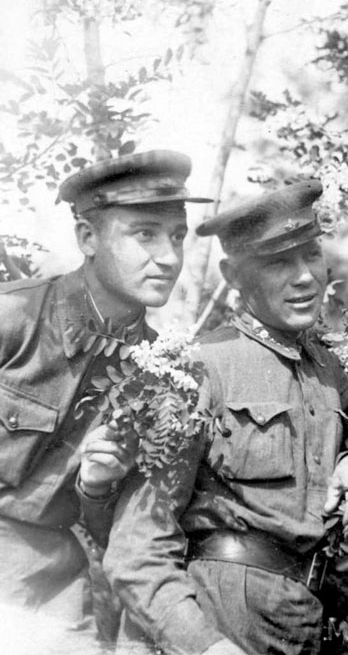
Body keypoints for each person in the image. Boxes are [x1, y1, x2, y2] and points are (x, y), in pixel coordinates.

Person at [103, 180, 348, 655]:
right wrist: (205, 645)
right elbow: (136, 550)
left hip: (304, 617)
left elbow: (346, 436)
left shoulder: (329, 370)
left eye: (311, 255)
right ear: (233, 275)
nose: (305, 278)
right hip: (219, 616)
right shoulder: (196, 370)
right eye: (278, 262)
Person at [0, 149, 210, 627]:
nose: (169, 257)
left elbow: (123, 534)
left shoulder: (164, 376)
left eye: (177, 236)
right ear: (87, 237)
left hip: (58, 583)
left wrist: (96, 489)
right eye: (145, 234)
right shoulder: (14, 319)